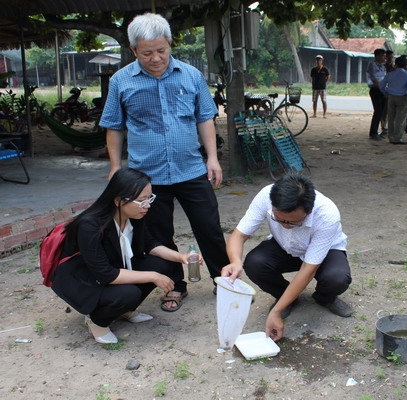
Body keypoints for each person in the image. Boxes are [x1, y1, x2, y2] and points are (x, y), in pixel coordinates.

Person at [100, 13, 229, 311]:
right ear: (134, 50)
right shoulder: (121, 81)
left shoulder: (191, 75)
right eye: (147, 53)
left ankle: (222, 279)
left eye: (162, 50)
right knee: (157, 235)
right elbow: (114, 126)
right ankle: (174, 286)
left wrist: (212, 157)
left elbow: (205, 118)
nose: (156, 58)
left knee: (208, 227)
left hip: (191, 168)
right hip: (147, 176)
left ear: (170, 43)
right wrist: (116, 166)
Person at [51, 168, 190, 344]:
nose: (147, 205)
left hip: (113, 270)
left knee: (164, 265)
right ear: (118, 200)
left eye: (149, 198)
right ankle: (96, 321)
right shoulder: (90, 226)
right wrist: (153, 276)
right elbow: (105, 274)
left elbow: (150, 244)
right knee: (128, 293)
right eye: (141, 201)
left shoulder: (134, 215)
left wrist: (181, 257)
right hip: (86, 281)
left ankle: (124, 310)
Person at [221, 174, 353, 342]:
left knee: (337, 278)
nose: (285, 225)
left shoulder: (327, 214)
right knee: (255, 263)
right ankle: (286, 298)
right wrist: (235, 262)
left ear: (308, 211)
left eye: (293, 223)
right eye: (279, 219)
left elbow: (308, 269)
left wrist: (275, 312)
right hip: (284, 245)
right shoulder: (266, 196)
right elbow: (238, 235)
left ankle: (325, 298)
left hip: (325, 250)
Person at [379, 56, 407, 145]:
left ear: (396, 64)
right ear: (406, 64)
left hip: (391, 97)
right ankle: (397, 138)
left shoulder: (390, 74)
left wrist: (385, 92)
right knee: (400, 119)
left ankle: (391, 136)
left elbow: (381, 84)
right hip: (403, 98)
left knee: (391, 117)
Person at [366, 48, 387, 140]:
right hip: (376, 90)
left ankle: (376, 132)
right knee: (377, 111)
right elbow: (375, 80)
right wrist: (383, 91)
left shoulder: (383, 66)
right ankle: (373, 132)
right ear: (377, 56)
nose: (384, 58)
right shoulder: (372, 65)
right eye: (383, 56)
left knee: (381, 112)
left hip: (382, 90)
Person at [381, 50, 396, 135]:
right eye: (388, 57)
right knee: (383, 111)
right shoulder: (382, 67)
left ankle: (391, 128)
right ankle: (384, 128)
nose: (390, 59)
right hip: (383, 91)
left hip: (391, 91)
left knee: (392, 111)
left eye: (391, 57)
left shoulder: (395, 68)